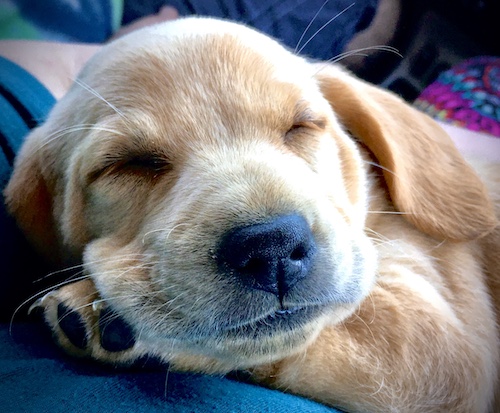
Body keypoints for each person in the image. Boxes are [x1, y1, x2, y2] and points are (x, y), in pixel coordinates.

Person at [0, 4, 498, 413]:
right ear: (45, 208)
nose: (270, 239)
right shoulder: (37, 176)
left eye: (299, 128)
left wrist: (188, 344)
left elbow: (452, 383)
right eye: (135, 164)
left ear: (352, 130)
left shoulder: (373, 185)